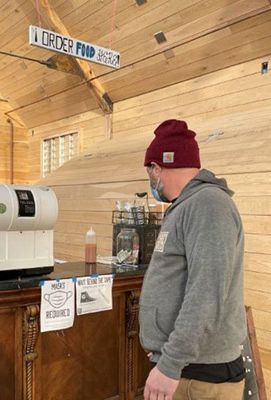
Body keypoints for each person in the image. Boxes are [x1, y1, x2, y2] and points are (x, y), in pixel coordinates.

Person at [139, 119, 247, 400]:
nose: (150, 178)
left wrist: (170, 363)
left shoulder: (208, 205)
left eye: (149, 169)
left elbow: (206, 294)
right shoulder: (186, 206)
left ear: (157, 167)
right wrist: (160, 342)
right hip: (185, 368)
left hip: (198, 376)